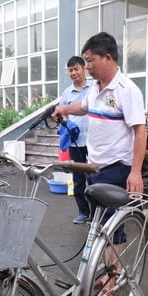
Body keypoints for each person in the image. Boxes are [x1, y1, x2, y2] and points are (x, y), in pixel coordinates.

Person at [53, 32, 147, 296]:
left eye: (90, 60)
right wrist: (62, 108)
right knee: (100, 226)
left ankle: (111, 283)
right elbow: (82, 107)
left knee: (111, 228)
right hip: (96, 166)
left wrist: (136, 172)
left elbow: (139, 132)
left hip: (117, 167)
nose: (87, 66)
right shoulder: (95, 88)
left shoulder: (127, 90)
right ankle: (105, 271)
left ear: (107, 57)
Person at [59, 56, 92, 224]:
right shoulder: (66, 93)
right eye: (70, 70)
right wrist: (66, 123)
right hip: (75, 141)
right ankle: (83, 212)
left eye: (76, 69)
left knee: (95, 176)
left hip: (94, 140)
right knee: (78, 179)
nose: (74, 73)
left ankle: (98, 212)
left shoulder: (94, 87)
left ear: (84, 68)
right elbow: (63, 113)